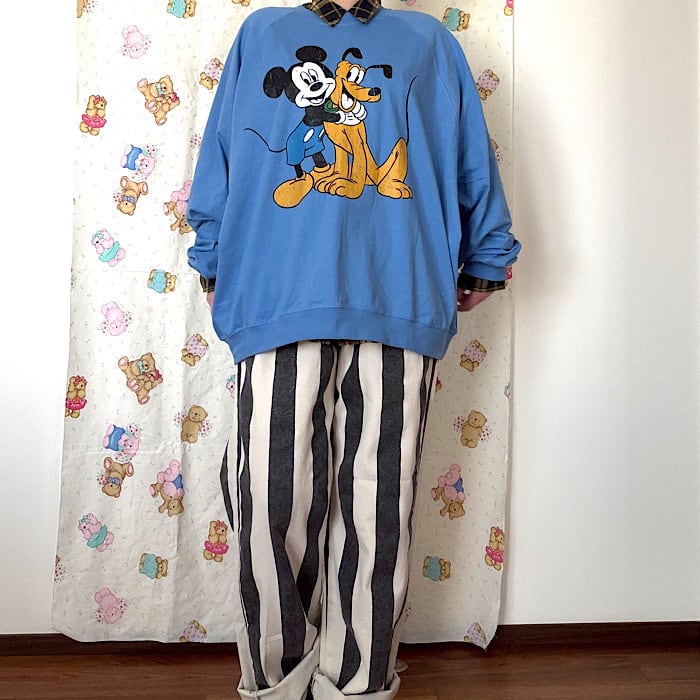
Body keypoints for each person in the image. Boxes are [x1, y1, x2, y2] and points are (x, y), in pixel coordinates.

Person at [187, 0, 521, 697]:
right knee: (268, 500)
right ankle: (278, 679)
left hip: (397, 293)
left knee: (378, 505)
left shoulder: (429, 41)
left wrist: (487, 255)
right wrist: (212, 257)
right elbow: (222, 155)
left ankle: (357, 682)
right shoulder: (263, 33)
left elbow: (468, 154)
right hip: (277, 296)